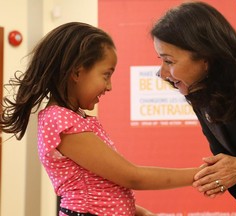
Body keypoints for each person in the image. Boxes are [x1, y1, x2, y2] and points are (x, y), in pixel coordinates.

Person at [0, 22, 202, 216]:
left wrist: (139, 212)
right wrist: (203, 174)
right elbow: (132, 177)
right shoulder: (59, 120)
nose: (109, 86)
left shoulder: (73, 118)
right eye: (106, 75)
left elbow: (104, 188)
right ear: (77, 72)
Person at [151, 1, 236, 216]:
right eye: (161, 60)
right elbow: (223, 155)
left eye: (169, 61)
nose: (161, 73)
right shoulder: (198, 87)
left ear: (205, 56)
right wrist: (216, 176)